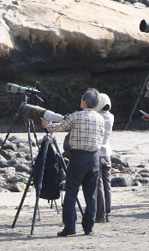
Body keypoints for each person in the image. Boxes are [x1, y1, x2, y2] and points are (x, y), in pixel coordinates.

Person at [42, 89, 104, 237]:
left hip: (79, 157)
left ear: (84, 101)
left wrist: (46, 125)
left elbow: (59, 127)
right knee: (91, 195)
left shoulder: (76, 116)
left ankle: (70, 226)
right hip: (95, 157)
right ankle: (89, 228)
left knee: (71, 192)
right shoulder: (100, 118)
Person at [93, 93, 114, 223]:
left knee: (98, 185)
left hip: (98, 153)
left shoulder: (96, 117)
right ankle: (108, 212)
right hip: (107, 154)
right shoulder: (110, 117)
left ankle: (100, 214)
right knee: (107, 185)